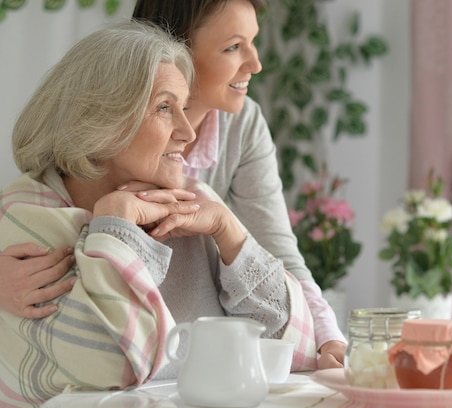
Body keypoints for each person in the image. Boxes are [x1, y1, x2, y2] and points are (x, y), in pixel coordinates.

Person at [0, 0, 347, 368]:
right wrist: (118, 221)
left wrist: (329, 340)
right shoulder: (37, 209)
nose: (187, 133)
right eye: (232, 46)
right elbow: (110, 358)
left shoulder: (229, 145)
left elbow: (281, 264)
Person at [131, 0, 347, 368]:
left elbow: (278, 250)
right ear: (172, 50)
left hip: (200, 352)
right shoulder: (116, 117)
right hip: (133, 342)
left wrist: (329, 339)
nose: (256, 64)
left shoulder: (243, 124)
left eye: (253, 42)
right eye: (233, 47)